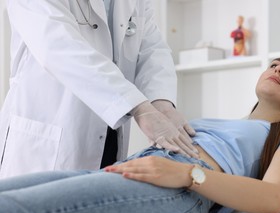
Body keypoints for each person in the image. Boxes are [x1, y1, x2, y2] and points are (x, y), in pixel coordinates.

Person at [0, 52, 280, 213]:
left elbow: (272, 198)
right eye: (276, 63)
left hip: (175, 193)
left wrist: (187, 175)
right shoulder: (231, 123)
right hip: (133, 171)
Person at [0, 0, 198, 179]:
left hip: (109, 132)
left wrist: (161, 103)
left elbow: (152, 49)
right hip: (47, 140)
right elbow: (59, 47)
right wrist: (140, 107)